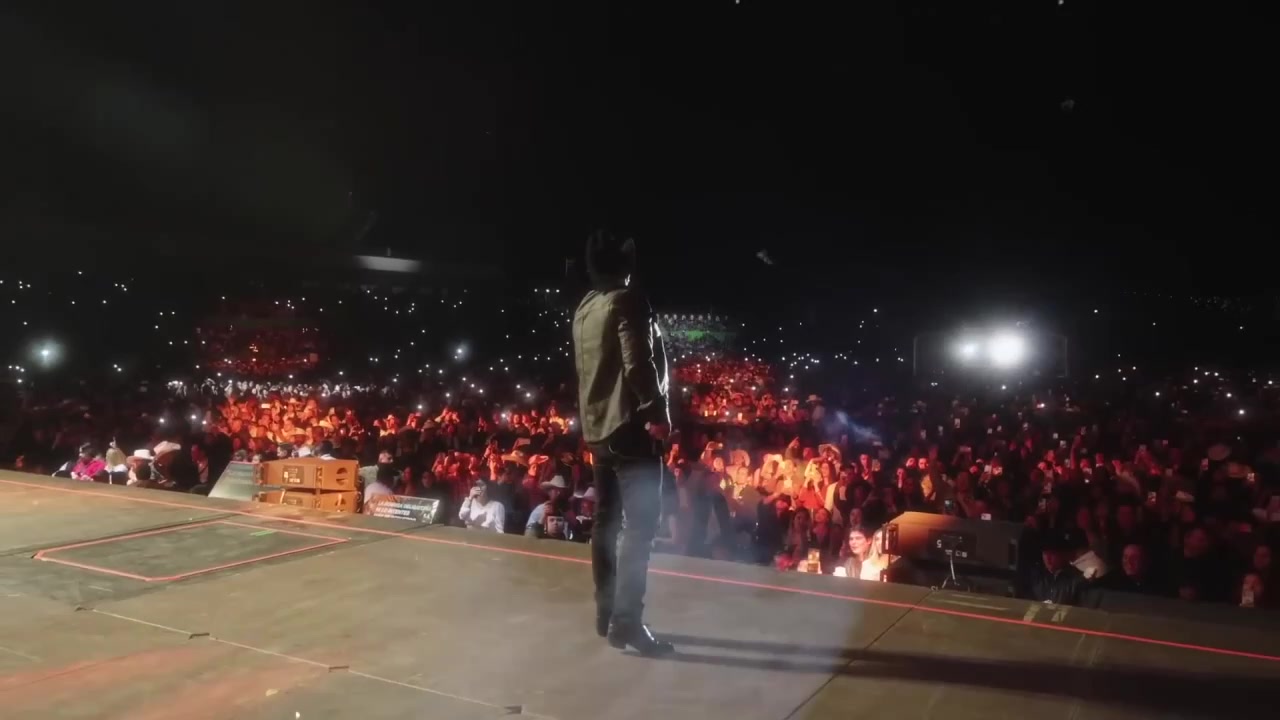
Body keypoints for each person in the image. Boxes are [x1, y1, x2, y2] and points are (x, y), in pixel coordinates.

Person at [572, 230, 673, 657]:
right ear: (624, 267)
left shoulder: (584, 307)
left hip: (598, 430)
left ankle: (607, 613)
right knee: (640, 527)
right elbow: (637, 362)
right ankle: (627, 621)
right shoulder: (627, 300)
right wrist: (657, 413)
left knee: (605, 523)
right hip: (631, 428)